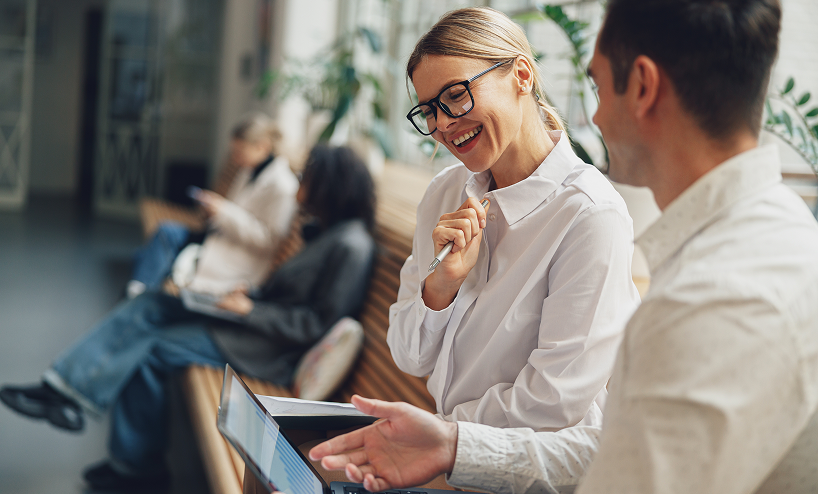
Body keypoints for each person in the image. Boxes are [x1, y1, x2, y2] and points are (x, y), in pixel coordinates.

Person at [309, 1, 818, 493]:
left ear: (642, 86)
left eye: (596, 86)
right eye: (429, 110)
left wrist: (451, 440)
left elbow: (609, 457)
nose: (592, 118)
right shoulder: (759, 244)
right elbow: (617, 452)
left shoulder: (717, 292)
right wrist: (452, 444)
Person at [0, 145, 378, 491]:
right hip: (251, 323)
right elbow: (293, 294)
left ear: (329, 185)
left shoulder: (352, 245)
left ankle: (135, 466)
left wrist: (251, 309)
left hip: (267, 348)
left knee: (153, 350)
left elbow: (316, 324)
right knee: (151, 305)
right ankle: (62, 389)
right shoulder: (331, 233)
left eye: (308, 177)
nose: (300, 183)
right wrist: (250, 296)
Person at [387, 7, 640, 432]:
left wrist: (441, 436)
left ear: (522, 75)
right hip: (451, 454)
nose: (444, 124)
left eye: (456, 95)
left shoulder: (589, 215)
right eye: (430, 110)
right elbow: (409, 356)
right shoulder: (445, 194)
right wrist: (440, 287)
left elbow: (551, 401)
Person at [127, 113, 299, 298]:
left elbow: (269, 241)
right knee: (162, 237)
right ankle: (137, 292)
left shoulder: (283, 186)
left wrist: (223, 212)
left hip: (239, 257)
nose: (235, 159)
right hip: (220, 237)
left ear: (262, 147)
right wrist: (215, 211)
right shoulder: (250, 171)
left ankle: (136, 295)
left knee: (158, 244)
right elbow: (235, 210)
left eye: (239, 152)